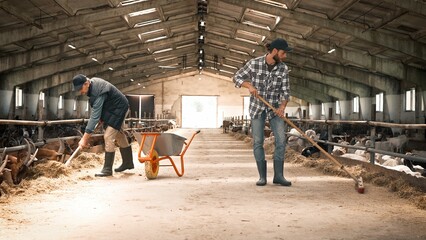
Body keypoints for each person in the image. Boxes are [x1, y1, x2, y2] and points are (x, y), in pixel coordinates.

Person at [233, 38, 292, 186]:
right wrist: (249, 86)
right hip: (257, 107)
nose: (285, 56)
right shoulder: (254, 63)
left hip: (274, 108)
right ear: (274, 51)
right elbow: (236, 77)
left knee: (280, 141)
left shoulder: (283, 68)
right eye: (283, 53)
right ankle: (262, 177)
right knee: (258, 142)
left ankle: (279, 176)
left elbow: (286, 91)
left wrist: (282, 108)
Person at [72, 74, 134, 177]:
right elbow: (100, 109)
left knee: (108, 136)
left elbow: (94, 117)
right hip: (113, 108)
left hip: (119, 108)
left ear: (86, 83)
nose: (80, 92)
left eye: (81, 88)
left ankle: (107, 169)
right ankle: (128, 163)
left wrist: (84, 139)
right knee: (119, 134)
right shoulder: (93, 86)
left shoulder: (98, 91)